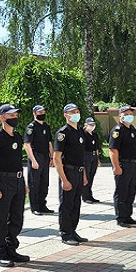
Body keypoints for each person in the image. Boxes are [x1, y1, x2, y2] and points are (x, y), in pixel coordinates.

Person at [0, 104, 30, 267]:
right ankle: (0, 253)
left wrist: (23, 183)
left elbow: (17, 162)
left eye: (15, 115)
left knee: (17, 217)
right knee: (1, 218)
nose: (14, 118)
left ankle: (11, 249)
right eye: (11, 115)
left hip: (18, 181)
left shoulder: (17, 136)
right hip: (3, 181)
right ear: (2, 118)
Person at [53, 103, 88, 245]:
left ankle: (73, 230)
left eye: (77, 111)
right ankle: (66, 234)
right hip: (68, 171)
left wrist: (84, 175)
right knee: (66, 204)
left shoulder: (79, 131)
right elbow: (56, 158)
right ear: (66, 115)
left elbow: (81, 156)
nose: (76, 114)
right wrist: (64, 179)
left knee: (76, 203)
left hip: (78, 171)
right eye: (73, 112)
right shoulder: (63, 133)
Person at [108, 106, 136, 228]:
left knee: (131, 191)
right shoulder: (117, 130)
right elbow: (113, 150)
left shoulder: (132, 129)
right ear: (120, 116)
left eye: (130, 114)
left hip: (133, 164)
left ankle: (128, 215)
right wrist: (116, 166)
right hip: (123, 164)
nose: (129, 116)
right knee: (121, 191)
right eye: (126, 114)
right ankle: (121, 217)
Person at [24, 104, 55, 216]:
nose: (42, 114)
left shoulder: (46, 126)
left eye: (43, 112)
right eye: (40, 112)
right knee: (34, 183)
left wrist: (52, 157)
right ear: (34, 114)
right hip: (36, 157)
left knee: (44, 183)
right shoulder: (31, 127)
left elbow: (49, 143)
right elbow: (27, 144)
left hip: (45, 157)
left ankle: (42, 205)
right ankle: (35, 207)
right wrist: (33, 160)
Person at [81, 117, 102, 204]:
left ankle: (90, 195)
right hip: (86, 155)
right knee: (86, 176)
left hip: (94, 156)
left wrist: (98, 159)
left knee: (91, 176)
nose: (92, 126)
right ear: (85, 125)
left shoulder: (95, 135)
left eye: (93, 124)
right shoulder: (83, 134)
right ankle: (85, 196)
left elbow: (96, 148)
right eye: (90, 124)